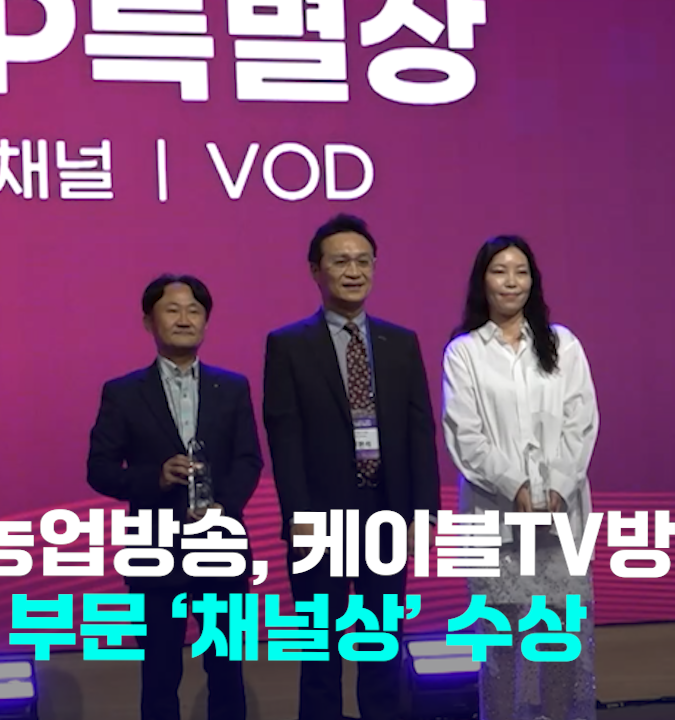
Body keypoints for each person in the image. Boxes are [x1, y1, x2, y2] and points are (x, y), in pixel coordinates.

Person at [262, 213, 442, 720]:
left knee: (381, 643)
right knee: (319, 647)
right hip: (319, 518)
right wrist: (298, 516)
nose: (354, 271)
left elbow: (420, 432)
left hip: (386, 513)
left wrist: (423, 514)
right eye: (341, 261)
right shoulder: (289, 345)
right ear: (315, 270)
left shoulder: (400, 343)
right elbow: (284, 437)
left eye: (363, 261)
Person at [86, 274, 263, 720]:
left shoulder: (233, 387)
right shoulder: (123, 393)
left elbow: (249, 460)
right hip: (156, 552)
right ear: (149, 321)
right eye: (172, 310)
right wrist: (156, 478)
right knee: (160, 672)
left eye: (194, 311)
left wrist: (225, 507)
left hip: (221, 549)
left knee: (227, 669)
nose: (184, 319)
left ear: (206, 321)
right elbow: (99, 470)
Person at [441, 236, 599, 720]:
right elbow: (466, 435)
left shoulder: (563, 344)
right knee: (502, 644)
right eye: (499, 271)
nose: (511, 282)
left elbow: (581, 422)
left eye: (521, 271)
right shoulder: (465, 352)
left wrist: (558, 487)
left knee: (561, 639)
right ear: (482, 281)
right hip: (496, 519)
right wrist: (516, 486)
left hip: (559, 518)